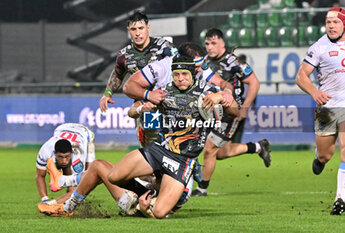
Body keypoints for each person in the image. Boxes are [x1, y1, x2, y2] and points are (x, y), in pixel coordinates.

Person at [106, 55, 238, 218]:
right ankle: (146, 194)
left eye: (184, 74)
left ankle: (153, 202)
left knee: (158, 213)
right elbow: (131, 112)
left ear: (192, 74)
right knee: (113, 176)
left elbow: (235, 111)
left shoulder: (207, 91)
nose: (180, 78)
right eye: (176, 74)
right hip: (158, 150)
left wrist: (222, 97)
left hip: (183, 160)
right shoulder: (163, 92)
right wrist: (142, 108)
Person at [192, 28, 271, 197]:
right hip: (210, 112)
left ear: (222, 43)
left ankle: (202, 189)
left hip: (230, 112)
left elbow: (254, 83)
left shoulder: (235, 62)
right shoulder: (204, 61)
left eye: (213, 43)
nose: (210, 47)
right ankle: (258, 147)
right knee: (220, 153)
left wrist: (245, 107)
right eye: (207, 44)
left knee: (209, 148)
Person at [296, 7, 345, 215]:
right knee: (326, 155)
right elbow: (301, 77)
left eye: (335, 22)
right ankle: (319, 159)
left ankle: (339, 200)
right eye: (328, 22)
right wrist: (314, 92)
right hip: (327, 108)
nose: (331, 26)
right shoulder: (319, 47)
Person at [99, 11, 176, 113]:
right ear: (128, 30)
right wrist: (107, 94)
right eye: (133, 29)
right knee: (136, 118)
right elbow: (117, 74)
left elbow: (180, 67)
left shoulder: (164, 46)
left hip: (168, 100)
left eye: (141, 28)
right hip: (142, 105)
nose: (137, 33)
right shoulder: (124, 55)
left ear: (148, 28)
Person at [36, 123, 95, 205]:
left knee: (89, 175)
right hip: (62, 128)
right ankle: (68, 194)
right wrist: (45, 200)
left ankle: (77, 199)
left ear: (71, 153)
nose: (64, 160)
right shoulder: (45, 150)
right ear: (54, 152)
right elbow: (40, 175)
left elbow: (77, 188)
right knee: (65, 167)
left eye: (67, 157)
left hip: (85, 133)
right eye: (60, 157)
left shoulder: (78, 154)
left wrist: (52, 204)